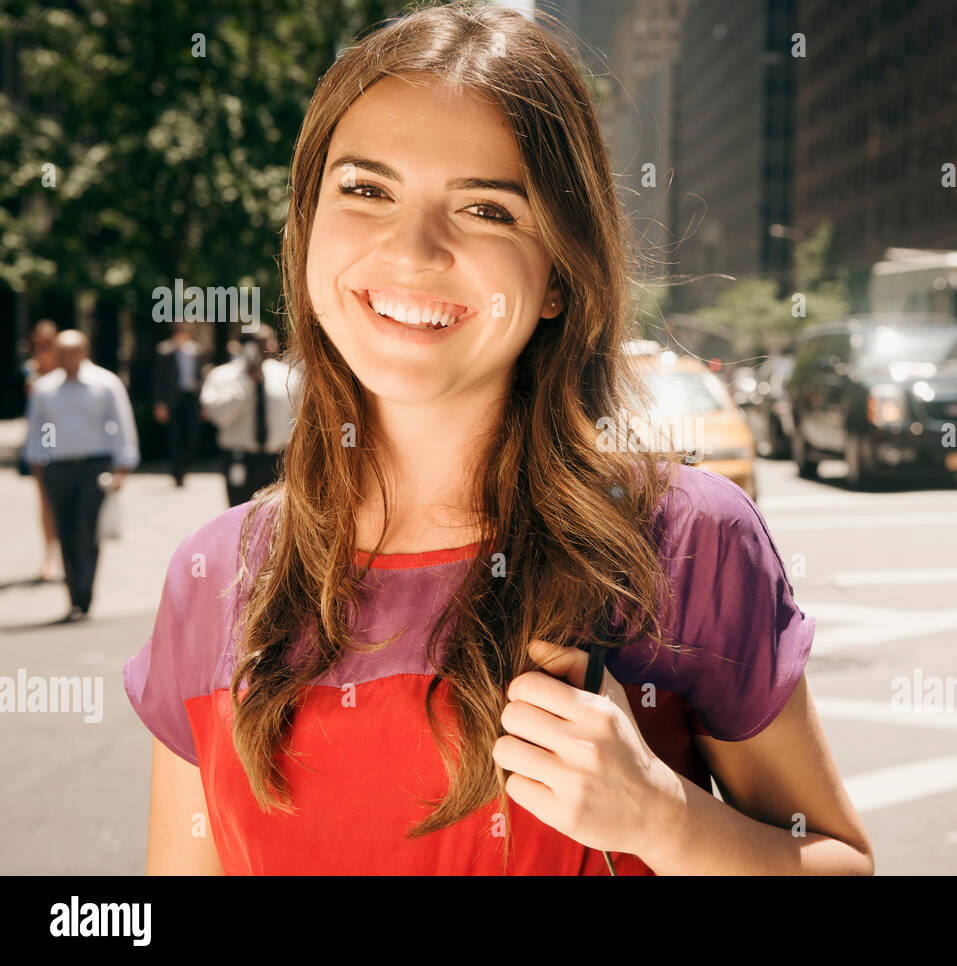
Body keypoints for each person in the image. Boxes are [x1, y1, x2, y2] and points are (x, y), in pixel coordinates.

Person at [124, 2, 872, 876]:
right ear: (305, 229)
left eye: (485, 210)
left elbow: (840, 863)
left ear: (558, 274)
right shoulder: (214, 578)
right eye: (365, 190)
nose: (412, 250)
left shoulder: (688, 540)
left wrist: (667, 823)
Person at [22, 329, 139, 622]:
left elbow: (120, 423)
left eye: (71, 352)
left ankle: (84, 593)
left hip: (94, 466)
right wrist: (42, 461)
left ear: (84, 352)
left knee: (87, 528)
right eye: (60, 352)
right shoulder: (46, 388)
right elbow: (41, 429)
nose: (65, 358)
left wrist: (123, 464)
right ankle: (74, 592)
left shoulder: (105, 383)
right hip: (58, 468)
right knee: (66, 530)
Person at [198, 325, 300, 506]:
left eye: (269, 342)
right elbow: (218, 416)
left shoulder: (286, 375)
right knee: (239, 516)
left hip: (277, 460)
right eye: (261, 343)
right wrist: (247, 382)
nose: (270, 346)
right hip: (239, 458)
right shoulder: (223, 376)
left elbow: (298, 417)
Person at [19, 320, 63, 581]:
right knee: (45, 497)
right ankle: (50, 555)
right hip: (46, 435)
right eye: (39, 344)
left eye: (47, 343)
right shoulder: (32, 370)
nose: (43, 349)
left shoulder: (66, 366)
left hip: (66, 435)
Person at [152, 321, 210, 486]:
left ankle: (185, 466)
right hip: (173, 398)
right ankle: (177, 472)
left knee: (192, 434)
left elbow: (201, 377)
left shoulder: (196, 351)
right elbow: (159, 379)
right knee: (175, 436)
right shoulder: (165, 351)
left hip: (191, 397)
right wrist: (160, 403)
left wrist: (204, 403)